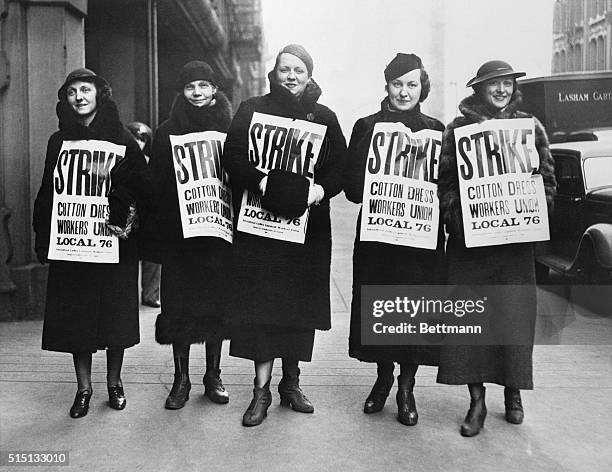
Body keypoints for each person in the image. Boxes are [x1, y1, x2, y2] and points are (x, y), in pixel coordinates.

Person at [222, 44, 347, 426]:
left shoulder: (324, 118)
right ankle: (260, 391)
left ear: (310, 75)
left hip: (305, 232)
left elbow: (340, 167)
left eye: (299, 70)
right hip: (260, 232)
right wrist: (260, 181)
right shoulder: (251, 109)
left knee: (296, 309)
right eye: (284, 69)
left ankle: (290, 385)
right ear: (273, 73)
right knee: (261, 308)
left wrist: (318, 191)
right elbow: (232, 157)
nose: (291, 76)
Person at [436, 60, 556, 436]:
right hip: (471, 247)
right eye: (493, 85)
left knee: (513, 319)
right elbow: (445, 182)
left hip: (514, 246)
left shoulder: (529, 127)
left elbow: (548, 179)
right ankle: (477, 402)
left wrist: (536, 206)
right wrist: (457, 215)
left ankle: (513, 393)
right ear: (479, 90)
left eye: (506, 84)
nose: (501, 90)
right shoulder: (459, 130)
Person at [33, 68, 151, 418]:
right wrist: (43, 238)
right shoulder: (59, 141)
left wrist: (113, 175)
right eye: (72, 92)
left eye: (86, 90)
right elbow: (47, 191)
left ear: (100, 94)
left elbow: (144, 184)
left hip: (113, 245)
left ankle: (114, 383)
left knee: (115, 318)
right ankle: (84, 388)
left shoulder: (121, 137)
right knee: (77, 319)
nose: (79, 97)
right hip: (72, 245)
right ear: (65, 99)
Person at [345, 53, 446, 426]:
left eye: (412, 84)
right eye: (397, 84)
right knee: (380, 310)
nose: (404, 92)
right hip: (378, 239)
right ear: (386, 86)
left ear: (423, 88)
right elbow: (353, 191)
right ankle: (383, 377)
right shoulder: (367, 126)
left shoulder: (439, 131)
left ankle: (406, 387)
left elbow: (447, 187)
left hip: (420, 242)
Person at [149, 61, 233, 409]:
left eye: (204, 86)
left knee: (217, 306)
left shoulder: (233, 128)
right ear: (181, 92)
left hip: (219, 235)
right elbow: (156, 184)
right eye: (189, 87)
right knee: (180, 307)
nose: (197, 93)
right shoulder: (166, 132)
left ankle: (213, 375)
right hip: (181, 237)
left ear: (215, 89)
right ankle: (180, 379)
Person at [126, 121, 161, 309]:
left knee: (153, 256)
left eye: (141, 138)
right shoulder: (119, 159)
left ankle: (151, 294)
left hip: (147, 214)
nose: (137, 142)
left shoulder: (150, 162)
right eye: (134, 137)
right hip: (127, 213)